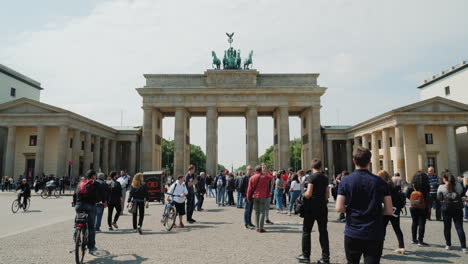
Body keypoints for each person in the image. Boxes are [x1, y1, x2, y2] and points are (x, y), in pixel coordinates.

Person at [335, 147, 393, 264]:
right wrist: (375, 210)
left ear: (353, 161)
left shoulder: (345, 181)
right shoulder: (381, 182)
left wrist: (350, 210)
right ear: (369, 162)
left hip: (353, 231)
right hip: (374, 232)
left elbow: (339, 208)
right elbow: (389, 210)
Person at [297, 159, 330, 264]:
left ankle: (306, 256)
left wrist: (302, 196)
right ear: (320, 167)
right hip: (322, 207)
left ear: (312, 166)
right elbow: (327, 194)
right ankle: (325, 258)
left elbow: (309, 193)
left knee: (307, 231)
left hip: (311, 208)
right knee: (323, 232)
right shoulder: (325, 178)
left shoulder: (311, 177)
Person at [377, 170, 406, 255]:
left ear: (382, 177)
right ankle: (402, 246)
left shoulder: (383, 186)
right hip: (395, 210)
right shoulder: (393, 185)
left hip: (386, 209)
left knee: (382, 228)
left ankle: (380, 246)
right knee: (397, 228)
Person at [437, 171, 467, 253]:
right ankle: (463, 247)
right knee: (459, 227)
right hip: (457, 208)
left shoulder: (441, 187)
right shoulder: (458, 185)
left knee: (447, 227)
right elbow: (461, 193)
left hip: (446, 208)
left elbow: (439, 197)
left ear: (444, 179)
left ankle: (448, 245)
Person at [72, 170, 100, 253]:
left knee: (79, 220)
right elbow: (99, 195)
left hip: (79, 205)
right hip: (90, 206)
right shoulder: (95, 183)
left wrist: (74, 203)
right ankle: (91, 247)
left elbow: (75, 194)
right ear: (93, 176)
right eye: (95, 175)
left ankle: (76, 230)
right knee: (91, 227)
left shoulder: (80, 182)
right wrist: (100, 201)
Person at [406, 171, 430, 246]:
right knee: (422, 223)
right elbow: (428, 194)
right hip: (423, 205)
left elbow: (407, 194)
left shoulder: (412, 185)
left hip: (414, 205)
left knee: (414, 222)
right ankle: (420, 240)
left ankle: (414, 239)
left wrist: (413, 199)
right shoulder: (426, 185)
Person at [246, 164, 273, 233]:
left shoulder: (252, 177)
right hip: (263, 196)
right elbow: (271, 177)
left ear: (255, 170)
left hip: (255, 196)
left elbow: (249, 189)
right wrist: (265, 171)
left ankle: (257, 227)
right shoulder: (265, 177)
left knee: (256, 212)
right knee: (262, 212)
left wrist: (248, 197)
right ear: (261, 170)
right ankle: (261, 228)